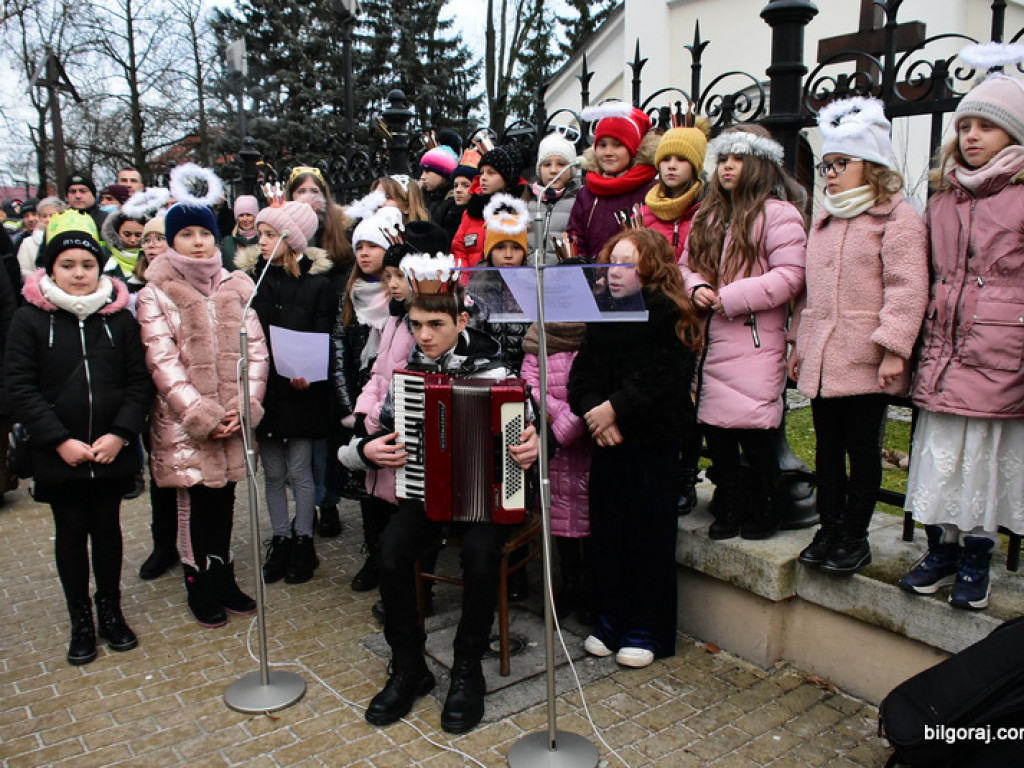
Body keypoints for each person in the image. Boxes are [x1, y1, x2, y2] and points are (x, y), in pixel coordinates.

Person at [342, 260, 539, 734]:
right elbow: (373, 438)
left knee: (478, 555)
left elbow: (535, 434)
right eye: (416, 325)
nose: (424, 335)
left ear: (462, 322)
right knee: (390, 553)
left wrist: (534, 446)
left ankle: (467, 669)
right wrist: (366, 450)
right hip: (426, 491)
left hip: (491, 496)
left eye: (436, 324)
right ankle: (410, 667)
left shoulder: (498, 374)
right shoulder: (408, 376)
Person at [898, 62, 1024, 609]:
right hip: (944, 348)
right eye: (964, 126)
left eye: (985, 127)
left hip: (1000, 352)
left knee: (983, 458)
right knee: (942, 454)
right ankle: (942, 547)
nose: (970, 136)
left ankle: (977, 555)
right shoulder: (943, 199)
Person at [788, 97, 928, 576]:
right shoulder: (825, 220)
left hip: (866, 359)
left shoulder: (897, 219)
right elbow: (808, 294)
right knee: (826, 448)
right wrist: (798, 344)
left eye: (840, 164)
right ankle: (828, 526)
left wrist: (893, 350)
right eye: (826, 165)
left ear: (873, 166)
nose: (829, 174)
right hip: (824, 359)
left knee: (863, 449)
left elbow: (907, 288)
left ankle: (855, 533)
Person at [5, 223, 152, 665]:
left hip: (110, 449)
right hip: (60, 453)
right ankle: (80, 618)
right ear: (50, 269)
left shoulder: (118, 317)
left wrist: (121, 433)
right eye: (67, 265)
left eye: (87, 265)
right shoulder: (30, 318)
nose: (78, 273)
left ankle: (111, 608)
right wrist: (58, 440)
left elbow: (138, 381)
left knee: (107, 529)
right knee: (70, 533)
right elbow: (18, 386)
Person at [136, 164, 269, 628]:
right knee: (193, 504)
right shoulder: (155, 294)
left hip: (232, 419)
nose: (197, 241)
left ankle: (224, 573)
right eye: (186, 234)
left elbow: (256, 354)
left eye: (204, 233)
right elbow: (162, 362)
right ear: (172, 241)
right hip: (186, 425)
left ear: (217, 238)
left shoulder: (237, 286)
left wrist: (242, 408)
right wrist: (201, 413)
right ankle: (198, 581)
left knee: (226, 500)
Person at [568, 228, 700, 667]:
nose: (617, 273)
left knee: (648, 536)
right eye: (613, 263)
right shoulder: (603, 316)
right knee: (608, 534)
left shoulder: (670, 316)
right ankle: (612, 618)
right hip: (609, 443)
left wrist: (614, 409)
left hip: (650, 444)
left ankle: (648, 628)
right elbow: (580, 378)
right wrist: (595, 414)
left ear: (652, 269)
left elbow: (663, 379)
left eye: (629, 263)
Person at [681, 125, 807, 541]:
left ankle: (766, 503)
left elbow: (791, 275)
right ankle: (731, 502)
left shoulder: (779, 215)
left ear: (759, 164)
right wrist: (696, 287)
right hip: (710, 338)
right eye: (723, 159)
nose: (728, 167)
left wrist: (732, 297)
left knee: (755, 430)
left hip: (753, 338)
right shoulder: (708, 214)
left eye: (737, 158)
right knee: (715, 430)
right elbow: (686, 264)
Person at [236, 201, 336, 584]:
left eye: (269, 235)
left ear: (291, 240)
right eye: (258, 233)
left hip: (301, 390)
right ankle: (280, 537)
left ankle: (303, 540)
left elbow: (323, 333)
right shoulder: (248, 281)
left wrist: (308, 371)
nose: (259, 241)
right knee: (273, 471)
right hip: (265, 390)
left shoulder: (317, 285)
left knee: (300, 468)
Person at [643, 118, 711, 516]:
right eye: (665, 158)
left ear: (695, 166)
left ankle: (688, 474)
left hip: (689, 315)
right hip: (652, 315)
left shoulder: (704, 212)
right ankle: (666, 471)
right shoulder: (647, 208)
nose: (671, 166)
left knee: (690, 401)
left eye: (680, 160)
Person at [335, 205, 403, 591]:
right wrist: (348, 409)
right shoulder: (350, 294)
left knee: (393, 484)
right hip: (362, 405)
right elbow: (338, 350)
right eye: (358, 246)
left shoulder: (400, 303)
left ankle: (392, 559)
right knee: (368, 485)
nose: (363, 253)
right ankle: (373, 556)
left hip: (392, 403)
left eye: (371, 245)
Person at [286, 165, 355, 538]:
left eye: (316, 191)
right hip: (298, 342)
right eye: (301, 191)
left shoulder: (339, 238)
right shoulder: (283, 241)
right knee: (305, 436)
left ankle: (327, 503)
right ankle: (306, 506)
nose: (309, 197)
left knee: (329, 433)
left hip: (332, 338)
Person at [521, 315, 593, 621]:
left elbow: (595, 386)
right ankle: (570, 584)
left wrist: (572, 421)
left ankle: (591, 588)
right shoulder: (539, 337)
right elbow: (529, 387)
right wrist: (562, 414)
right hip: (551, 445)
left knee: (590, 520)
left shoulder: (594, 337)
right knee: (561, 519)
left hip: (587, 441)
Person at [134, 214, 183, 581]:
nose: (151, 245)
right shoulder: (131, 287)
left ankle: (191, 547)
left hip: (181, 394)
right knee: (160, 472)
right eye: (146, 240)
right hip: (147, 393)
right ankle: (163, 543)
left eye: (158, 239)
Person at [566, 104, 659, 262]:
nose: (608, 152)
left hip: (633, 278)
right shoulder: (587, 193)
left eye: (617, 145)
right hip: (593, 278)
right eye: (602, 145)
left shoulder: (649, 189)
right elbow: (575, 238)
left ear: (633, 148)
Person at [466, 193, 532, 375]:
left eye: (516, 248)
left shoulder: (533, 287)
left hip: (526, 372)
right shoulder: (477, 286)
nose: (508, 255)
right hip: (487, 372)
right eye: (500, 247)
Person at [452, 144, 527, 277]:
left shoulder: (520, 208)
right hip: (473, 285)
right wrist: (464, 278)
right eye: (481, 173)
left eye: (491, 173)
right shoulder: (472, 209)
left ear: (507, 177)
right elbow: (459, 248)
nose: (483, 178)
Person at [527, 132, 580, 264]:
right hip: (532, 277)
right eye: (547, 164)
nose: (553, 170)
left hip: (564, 277)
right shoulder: (529, 201)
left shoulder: (579, 200)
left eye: (561, 164)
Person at [418, 145, 462, 241]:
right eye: (422, 171)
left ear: (443, 173)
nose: (422, 177)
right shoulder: (421, 196)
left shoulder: (454, 203)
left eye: (427, 171)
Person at [17, 196, 66, 280]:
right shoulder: (27, 243)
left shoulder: (70, 237)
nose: (48, 219)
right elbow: (24, 271)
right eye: (44, 216)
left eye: (52, 215)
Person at [219, 195, 260, 270]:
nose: (245, 219)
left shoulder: (263, 241)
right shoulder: (228, 242)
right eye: (241, 215)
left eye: (248, 215)